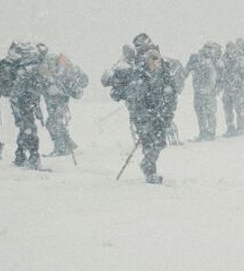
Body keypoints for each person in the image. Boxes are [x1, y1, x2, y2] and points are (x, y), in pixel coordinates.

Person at [104, 34, 184, 184]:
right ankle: (149, 170)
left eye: (156, 60)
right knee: (149, 141)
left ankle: (147, 165)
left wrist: (166, 113)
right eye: (152, 60)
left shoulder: (163, 70)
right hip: (143, 114)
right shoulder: (134, 70)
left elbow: (172, 92)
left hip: (160, 112)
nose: (155, 63)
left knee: (159, 143)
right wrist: (145, 114)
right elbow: (132, 95)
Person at [3, 41, 48, 170]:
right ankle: (33, 157)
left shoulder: (26, 68)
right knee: (29, 128)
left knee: (26, 127)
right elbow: (23, 91)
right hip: (24, 102)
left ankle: (20, 155)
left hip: (22, 102)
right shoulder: (30, 69)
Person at [42, 52, 89, 155]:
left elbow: (50, 79)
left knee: (53, 122)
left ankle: (62, 148)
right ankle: (68, 145)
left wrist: (53, 87)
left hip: (57, 99)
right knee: (55, 122)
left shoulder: (57, 67)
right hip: (57, 99)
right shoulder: (61, 67)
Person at [187, 42, 223, 141]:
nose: (208, 50)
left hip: (208, 92)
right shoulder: (197, 59)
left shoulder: (216, 61)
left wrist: (217, 89)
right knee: (201, 112)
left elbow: (221, 77)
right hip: (200, 91)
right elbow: (188, 70)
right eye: (206, 48)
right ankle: (204, 132)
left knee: (209, 112)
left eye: (210, 48)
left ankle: (210, 133)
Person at [220, 40, 244, 136]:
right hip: (227, 89)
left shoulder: (239, 59)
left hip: (237, 89)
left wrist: (243, 87)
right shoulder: (223, 59)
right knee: (227, 109)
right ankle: (230, 127)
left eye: (231, 48)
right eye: (228, 48)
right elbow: (220, 74)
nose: (229, 50)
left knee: (239, 108)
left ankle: (241, 128)